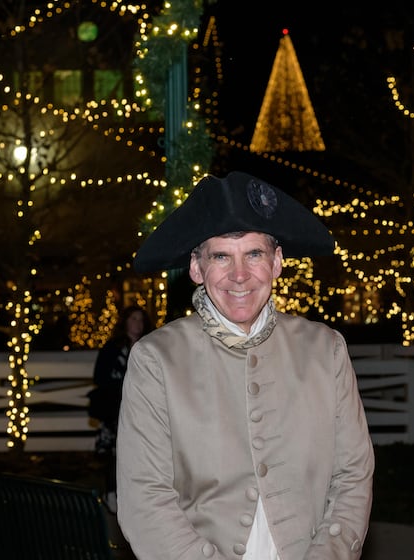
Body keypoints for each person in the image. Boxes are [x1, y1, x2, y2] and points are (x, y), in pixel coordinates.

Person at [118, 171, 375, 560]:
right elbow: (145, 498)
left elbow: (352, 477)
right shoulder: (156, 360)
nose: (239, 275)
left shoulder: (326, 351)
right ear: (195, 268)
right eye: (221, 256)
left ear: (277, 263)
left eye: (254, 254)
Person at [88, 304, 153, 513]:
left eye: (140, 319)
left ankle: (136, 496)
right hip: (115, 409)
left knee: (141, 454)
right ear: (125, 321)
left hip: (143, 410)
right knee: (115, 454)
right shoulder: (113, 347)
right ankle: (111, 493)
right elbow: (99, 377)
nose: (137, 323)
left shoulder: (149, 346)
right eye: (133, 319)